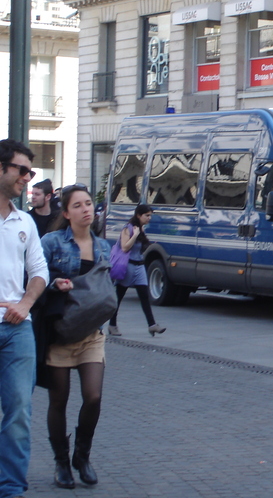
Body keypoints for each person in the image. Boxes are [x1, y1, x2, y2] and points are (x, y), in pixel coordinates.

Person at [39, 184, 112, 488]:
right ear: (66, 213)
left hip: (91, 334)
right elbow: (34, 276)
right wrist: (56, 283)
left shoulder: (103, 246)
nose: (86, 209)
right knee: (59, 400)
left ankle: (82, 455)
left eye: (89, 204)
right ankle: (61, 461)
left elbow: (108, 283)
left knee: (93, 396)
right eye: (78, 205)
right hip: (60, 334)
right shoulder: (52, 242)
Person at [0, 139, 49, 498]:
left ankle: (11, 488)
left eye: (30, 172)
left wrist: (27, 302)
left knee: (18, 410)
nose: (27, 178)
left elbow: (39, 270)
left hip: (18, 329)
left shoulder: (25, 222)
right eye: (21, 170)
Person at [107, 204, 165, 337]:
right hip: (128, 266)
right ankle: (112, 324)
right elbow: (125, 248)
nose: (149, 218)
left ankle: (152, 325)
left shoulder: (140, 228)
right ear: (139, 215)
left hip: (139, 266)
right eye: (147, 215)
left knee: (144, 296)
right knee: (119, 296)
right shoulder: (128, 228)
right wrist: (135, 235)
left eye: (150, 215)